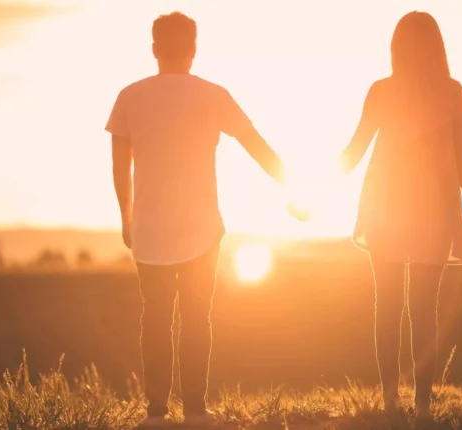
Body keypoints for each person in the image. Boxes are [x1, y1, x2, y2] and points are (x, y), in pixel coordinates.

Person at [105, 12, 286, 429]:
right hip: (203, 229)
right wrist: (292, 187)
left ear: (154, 50)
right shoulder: (213, 94)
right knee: (196, 318)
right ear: (194, 49)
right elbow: (254, 142)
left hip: (149, 228)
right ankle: (196, 413)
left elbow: (119, 167)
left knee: (155, 318)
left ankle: (155, 415)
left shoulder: (129, 96)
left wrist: (126, 217)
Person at [337, 11, 462, 420]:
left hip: (387, 205)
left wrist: (310, 189)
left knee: (388, 306)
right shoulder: (453, 92)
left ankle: (392, 400)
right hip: (432, 208)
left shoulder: (383, 90)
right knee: (424, 308)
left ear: (396, 46)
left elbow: (355, 149)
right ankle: (420, 405)